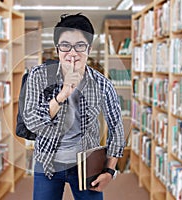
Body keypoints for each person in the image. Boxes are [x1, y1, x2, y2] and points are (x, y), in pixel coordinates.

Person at [23, 13, 125, 200]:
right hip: (47, 162)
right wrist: (63, 94)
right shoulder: (38, 76)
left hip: (87, 164)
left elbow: (116, 128)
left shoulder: (102, 84)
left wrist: (110, 170)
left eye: (80, 46)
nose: (72, 53)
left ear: (89, 48)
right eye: (65, 45)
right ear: (57, 49)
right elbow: (32, 122)